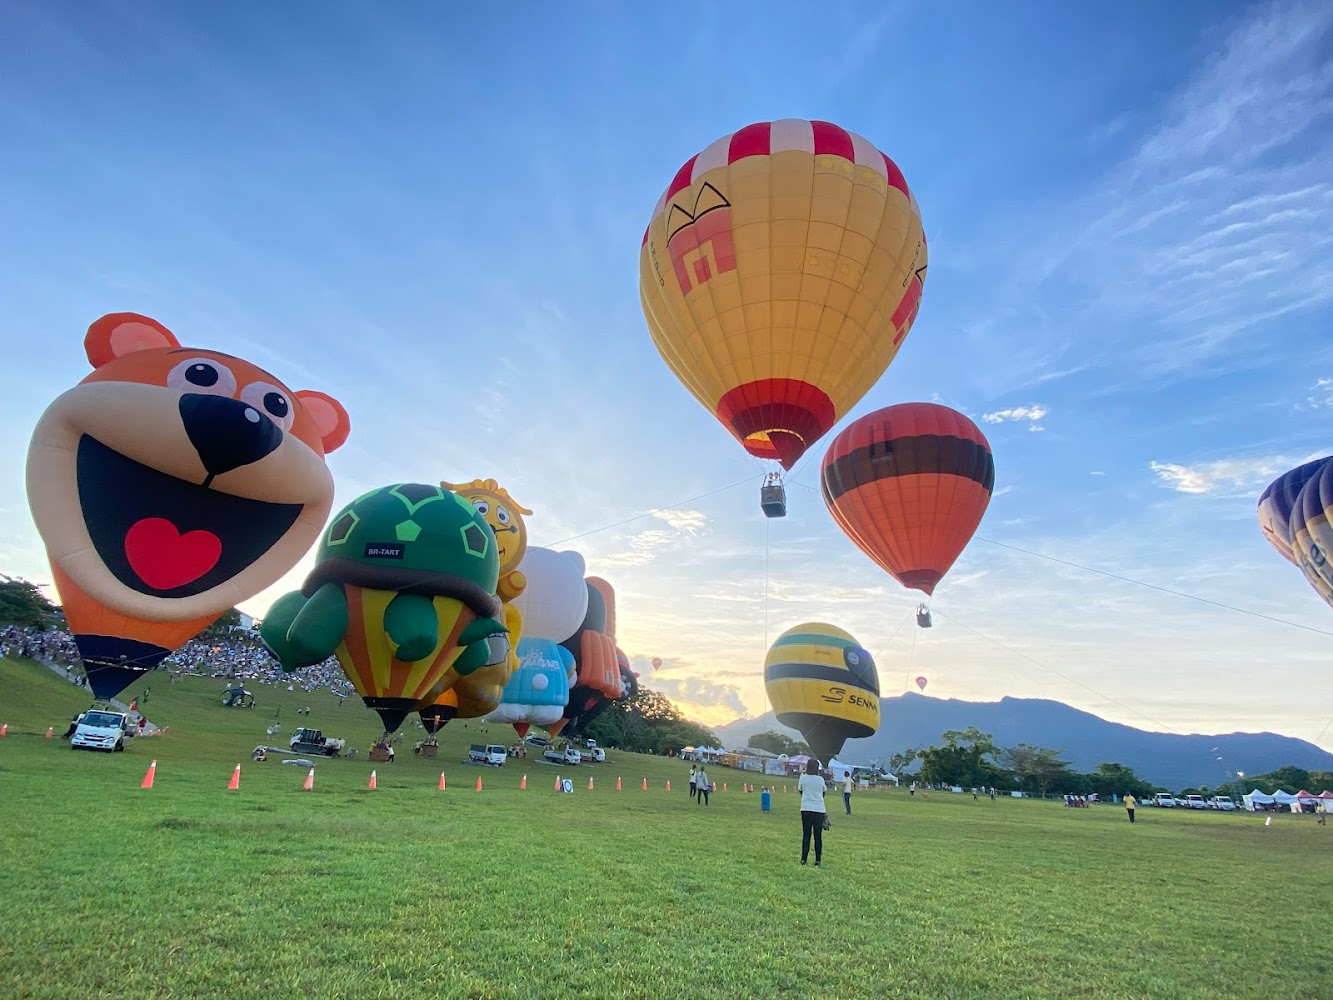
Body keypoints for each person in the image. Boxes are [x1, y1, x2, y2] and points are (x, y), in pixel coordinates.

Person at [798, 758, 827, 867]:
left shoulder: (803, 778)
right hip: (819, 809)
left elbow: (801, 791)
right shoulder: (820, 779)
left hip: (806, 808)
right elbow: (823, 793)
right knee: (817, 836)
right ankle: (818, 860)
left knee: (806, 835)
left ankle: (804, 859)